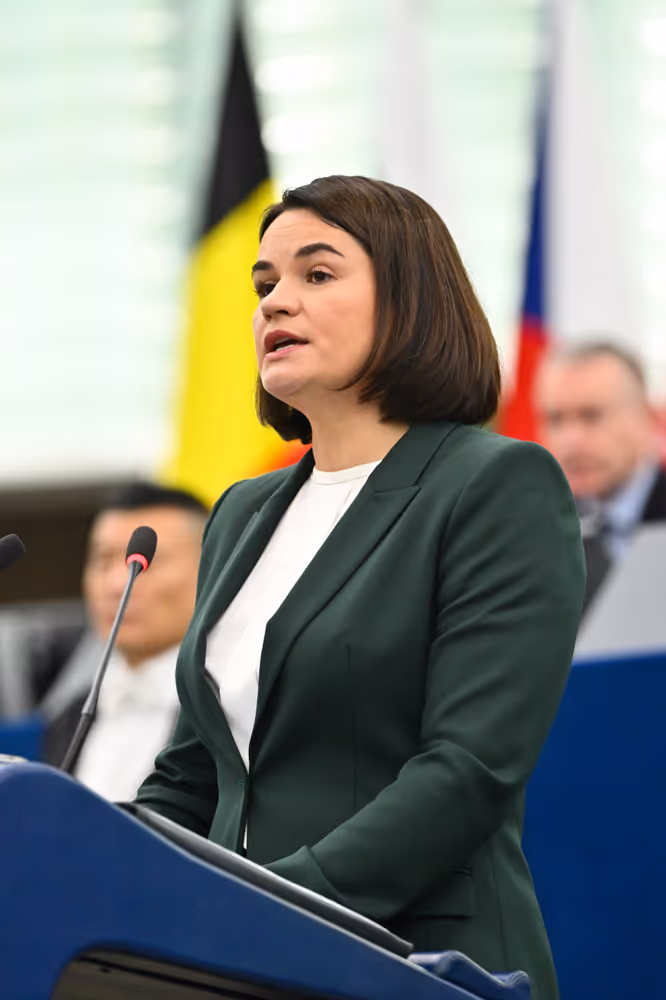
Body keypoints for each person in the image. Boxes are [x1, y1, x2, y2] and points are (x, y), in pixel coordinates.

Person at [136, 175, 584, 998]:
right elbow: (197, 768)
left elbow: (468, 770)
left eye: (316, 274)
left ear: (409, 300)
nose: (274, 303)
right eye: (264, 284)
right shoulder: (242, 512)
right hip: (239, 968)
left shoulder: (495, 484)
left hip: (414, 963)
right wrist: (118, 875)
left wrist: (272, 905)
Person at [42, 482, 208, 802]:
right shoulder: (67, 717)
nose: (118, 583)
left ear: (211, 568)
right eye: (103, 561)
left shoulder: (232, 714)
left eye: (149, 561)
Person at [535, 341, 666, 613]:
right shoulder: (535, 532)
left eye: (591, 416)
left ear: (647, 417)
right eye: (555, 419)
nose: (571, 441)